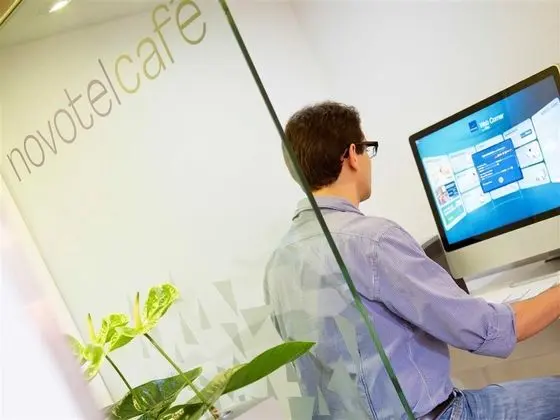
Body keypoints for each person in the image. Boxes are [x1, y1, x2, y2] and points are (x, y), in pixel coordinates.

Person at [263, 101, 560, 420]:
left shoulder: (277, 265)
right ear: (351, 155)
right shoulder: (372, 241)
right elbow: (487, 330)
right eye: (367, 149)